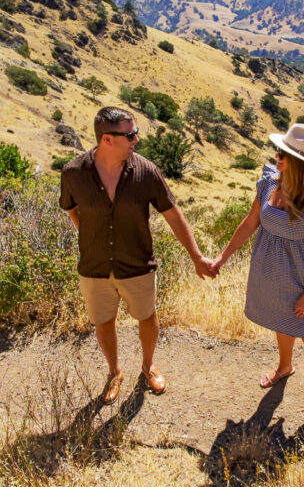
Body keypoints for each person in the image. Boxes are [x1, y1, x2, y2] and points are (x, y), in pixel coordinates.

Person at [60, 106, 215, 404]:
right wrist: (90, 234)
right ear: (107, 139)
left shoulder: (146, 172)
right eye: (130, 135)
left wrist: (196, 257)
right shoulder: (73, 173)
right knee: (103, 321)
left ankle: (148, 365)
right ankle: (114, 372)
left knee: (147, 317)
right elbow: (71, 208)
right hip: (93, 267)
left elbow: (173, 215)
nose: (136, 140)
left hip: (138, 264)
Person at [213, 123, 304, 417]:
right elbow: (249, 224)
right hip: (273, 274)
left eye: (283, 154)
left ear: (300, 163)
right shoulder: (269, 184)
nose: (276, 157)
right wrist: (222, 257)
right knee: (281, 324)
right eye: (278, 151)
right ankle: (285, 366)